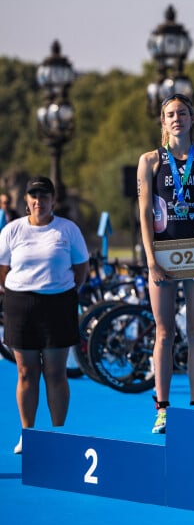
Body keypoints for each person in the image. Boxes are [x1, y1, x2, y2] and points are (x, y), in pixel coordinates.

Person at [137, 93, 194, 434]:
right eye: (170, 114)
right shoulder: (150, 160)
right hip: (163, 254)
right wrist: (150, 260)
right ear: (163, 121)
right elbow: (143, 213)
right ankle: (163, 409)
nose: (177, 118)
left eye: (182, 113)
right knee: (164, 332)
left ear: (192, 119)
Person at [0, 176, 89, 454]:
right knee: (26, 373)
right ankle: (28, 434)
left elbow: (81, 269)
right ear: (26, 201)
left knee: (55, 372)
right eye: (34, 196)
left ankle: (59, 434)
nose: (39, 201)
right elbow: (2, 271)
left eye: (45, 196)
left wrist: (59, 289)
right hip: (21, 306)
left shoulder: (67, 230)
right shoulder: (12, 230)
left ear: (53, 200)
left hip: (58, 306)